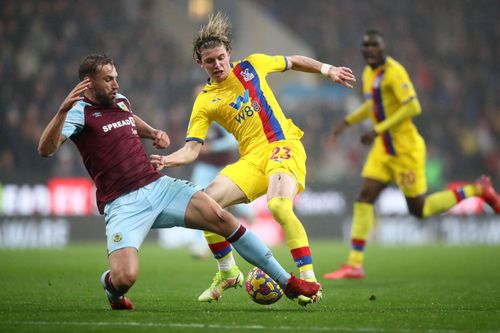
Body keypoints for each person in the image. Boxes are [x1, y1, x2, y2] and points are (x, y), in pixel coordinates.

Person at [37, 54, 321, 310]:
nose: (115, 83)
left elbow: (127, 118)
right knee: (125, 278)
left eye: (116, 77)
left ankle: (288, 282)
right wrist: (61, 112)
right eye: (108, 79)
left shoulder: (120, 100)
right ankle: (113, 293)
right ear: (88, 83)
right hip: (123, 203)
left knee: (219, 215)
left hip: (158, 187)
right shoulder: (76, 113)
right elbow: (46, 150)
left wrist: (152, 132)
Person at [150, 12, 356, 306]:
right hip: (251, 159)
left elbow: (294, 61)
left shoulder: (252, 66)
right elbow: (192, 149)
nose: (217, 65)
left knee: (279, 206)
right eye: (210, 61)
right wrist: (167, 161)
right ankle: (228, 272)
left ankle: (309, 279)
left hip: (282, 146)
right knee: (206, 205)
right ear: (200, 63)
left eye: (221, 57)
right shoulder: (205, 101)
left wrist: (328, 69)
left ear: (229, 54)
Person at [323, 29, 500, 280]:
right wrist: (347, 122)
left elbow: (413, 106)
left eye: (374, 46)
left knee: (419, 209)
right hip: (383, 150)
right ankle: (354, 264)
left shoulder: (395, 72)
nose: (369, 50)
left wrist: (378, 129)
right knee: (364, 196)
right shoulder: (368, 72)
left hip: (405, 150)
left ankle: (477, 190)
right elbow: (373, 105)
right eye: (366, 47)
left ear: (383, 48)